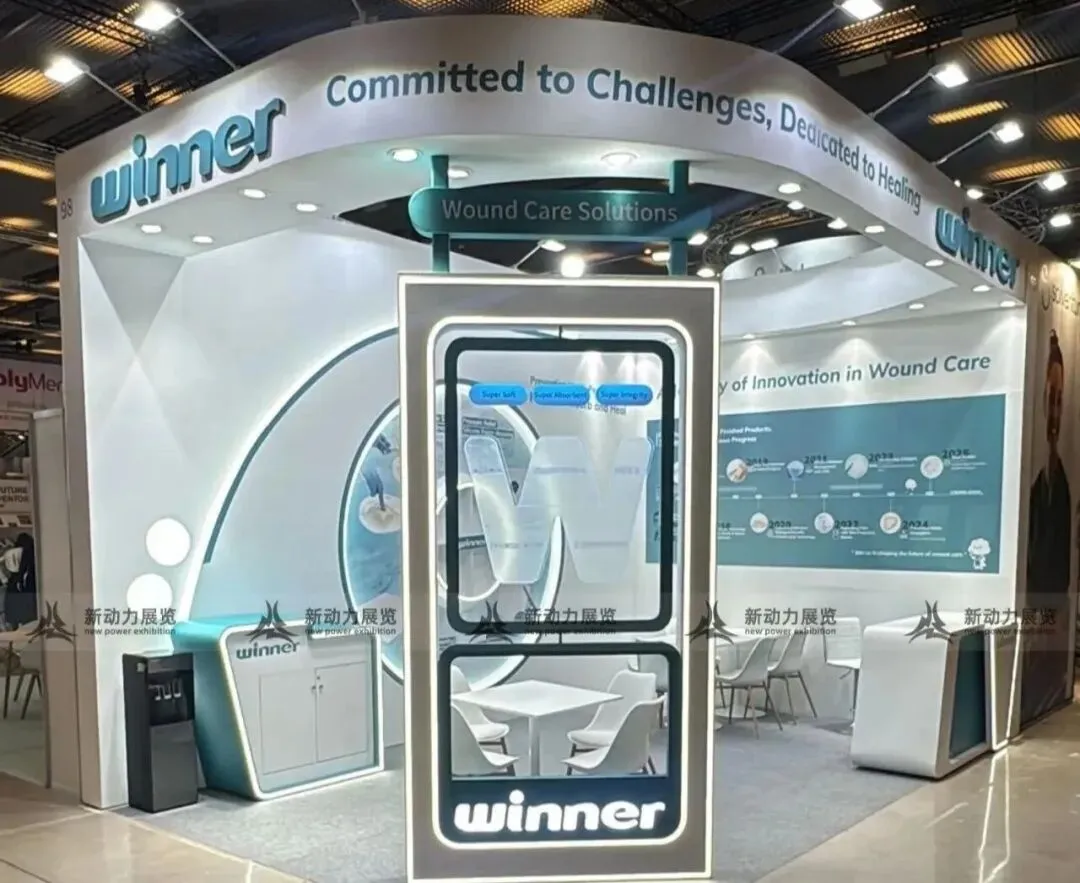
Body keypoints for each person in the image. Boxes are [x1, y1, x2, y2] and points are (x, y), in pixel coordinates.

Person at [1023, 330, 1073, 723]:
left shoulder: (1062, 484)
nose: (1054, 412)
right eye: (1050, 399)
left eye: (1060, 401)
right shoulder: (1036, 484)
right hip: (1035, 623)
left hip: (1051, 624)